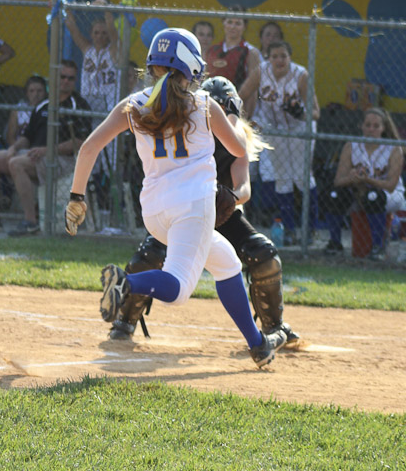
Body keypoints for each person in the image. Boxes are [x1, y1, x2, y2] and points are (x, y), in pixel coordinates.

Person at [64, 28, 287, 368]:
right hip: (193, 207)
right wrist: (230, 118)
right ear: (192, 67)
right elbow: (239, 149)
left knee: (227, 262)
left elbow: (89, 147)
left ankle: (258, 345)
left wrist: (77, 197)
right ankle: (126, 283)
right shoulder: (204, 104)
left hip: (154, 212)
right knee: (179, 290)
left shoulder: (133, 104)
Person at [107, 75, 300, 347]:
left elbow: (244, 188)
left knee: (263, 253)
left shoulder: (237, 138)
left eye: (224, 109)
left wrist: (229, 198)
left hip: (222, 212)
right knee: (150, 255)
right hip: (186, 210)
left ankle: (273, 327)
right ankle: (124, 320)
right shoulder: (187, 128)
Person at [239, 40, 321, 245]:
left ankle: (310, 230)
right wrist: (241, 117)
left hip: (300, 129)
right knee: (282, 179)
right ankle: (289, 230)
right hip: (275, 130)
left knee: (302, 178)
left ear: (289, 57)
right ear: (268, 57)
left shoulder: (300, 75)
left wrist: (300, 112)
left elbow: (316, 113)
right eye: (274, 56)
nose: (279, 60)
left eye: (283, 56)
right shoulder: (261, 71)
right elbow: (242, 95)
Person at [4, 60, 91, 236]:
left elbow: (80, 142)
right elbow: (27, 136)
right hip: (34, 154)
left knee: (16, 164)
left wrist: (47, 150)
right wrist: (14, 147)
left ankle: (30, 222)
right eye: (62, 77)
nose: (66, 81)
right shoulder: (44, 104)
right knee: (5, 158)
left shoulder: (79, 105)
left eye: (70, 78)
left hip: (63, 160)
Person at [322, 107, 405, 260]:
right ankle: (335, 243)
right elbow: (338, 180)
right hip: (358, 191)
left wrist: (367, 180)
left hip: (390, 195)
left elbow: (391, 185)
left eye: (376, 126)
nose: (371, 129)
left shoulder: (393, 148)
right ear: (361, 126)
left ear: (383, 128)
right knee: (333, 195)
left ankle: (378, 247)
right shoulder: (352, 145)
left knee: (373, 197)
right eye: (367, 125)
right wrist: (352, 178)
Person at [0, 75, 47, 210]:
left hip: (39, 152)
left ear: (45, 92)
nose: (35, 94)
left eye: (39, 91)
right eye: (32, 91)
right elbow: (10, 136)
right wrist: (14, 149)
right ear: (26, 93)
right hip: (20, 149)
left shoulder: (47, 110)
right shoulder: (19, 109)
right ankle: (1, 199)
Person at [64, 0, 120, 114]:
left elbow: (113, 32)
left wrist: (106, 9)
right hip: (87, 100)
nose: (100, 36)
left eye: (104, 33)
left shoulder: (113, 50)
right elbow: (72, 29)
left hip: (108, 102)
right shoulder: (88, 50)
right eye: (96, 32)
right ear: (91, 34)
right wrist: (67, 8)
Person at [206, 6, 260, 94]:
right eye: (229, 22)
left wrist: (237, 100)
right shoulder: (212, 50)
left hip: (238, 98)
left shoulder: (251, 51)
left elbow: (253, 88)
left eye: (238, 23)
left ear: (244, 26)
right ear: (224, 23)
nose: (233, 27)